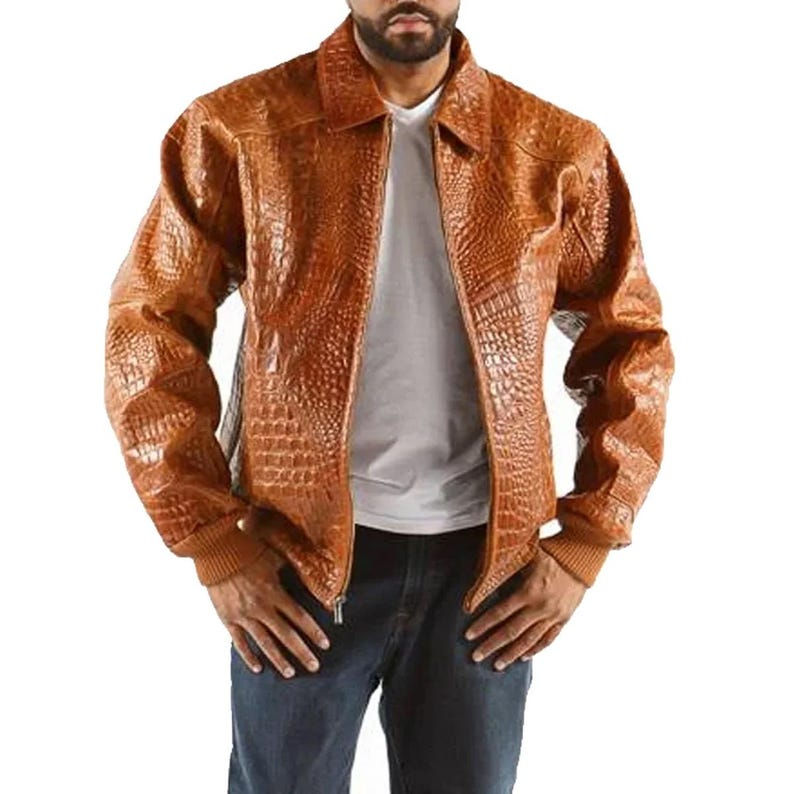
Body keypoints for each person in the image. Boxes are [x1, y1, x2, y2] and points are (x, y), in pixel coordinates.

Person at [103, 2, 675, 792]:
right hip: (297, 565)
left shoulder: (556, 149)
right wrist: (213, 544)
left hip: (488, 575)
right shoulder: (238, 129)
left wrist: (587, 540)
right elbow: (150, 326)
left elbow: (630, 342)